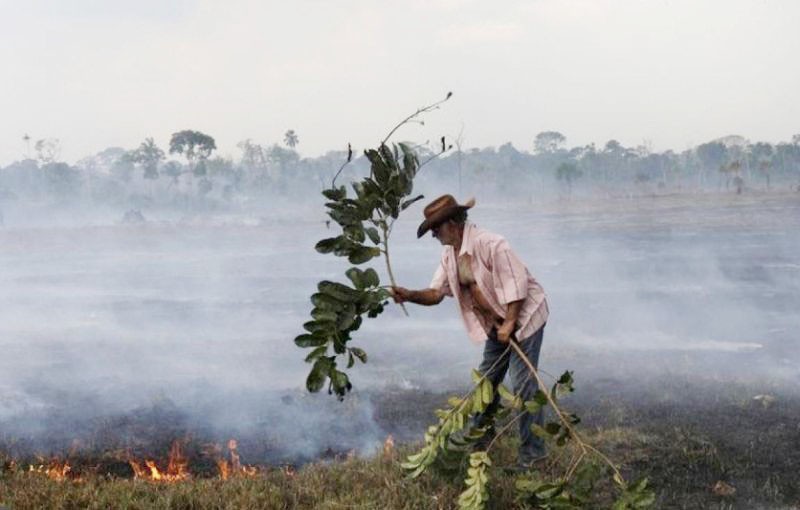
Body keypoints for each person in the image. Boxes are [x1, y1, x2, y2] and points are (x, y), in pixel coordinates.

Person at [391, 194, 549, 468]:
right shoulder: (449, 256)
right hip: (494, 325)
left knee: (524, 386)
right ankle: (480, 444)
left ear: (452, 223)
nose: (434, 236)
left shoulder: (490, 244)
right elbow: (436, 293)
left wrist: (511, 322)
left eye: (436, 229)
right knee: (485, 384)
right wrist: (409, 295)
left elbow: (517, 283)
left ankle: (533, 457)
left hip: (524, 317)